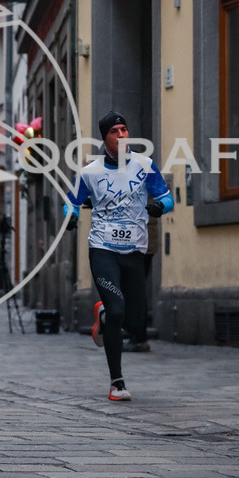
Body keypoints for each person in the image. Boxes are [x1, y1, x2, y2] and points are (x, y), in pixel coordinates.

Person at [65, 111, 173, 401]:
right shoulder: (90, 172)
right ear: (105, 138)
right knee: (117, 311)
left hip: (134, 250)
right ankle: (117, 382)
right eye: (116, 131)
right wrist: (72, 217)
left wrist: (160, 208)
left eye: (125, 129)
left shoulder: (145, 165)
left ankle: (102, 313)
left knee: (136, 323)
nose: (123, 135)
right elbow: (71, 202)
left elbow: (167, 198)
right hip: (103, 249)